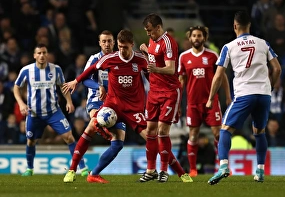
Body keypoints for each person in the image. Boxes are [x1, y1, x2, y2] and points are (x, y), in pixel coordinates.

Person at [62, 29, 192, 184]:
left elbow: (152, 78)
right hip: (113, 106)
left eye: (125, 47)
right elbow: (91, 70)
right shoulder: (109, 58)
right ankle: (72, 170)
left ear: (132, 45)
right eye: (120, 46)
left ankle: (180, 172)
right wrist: (76, 81)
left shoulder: (140, 60)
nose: (122, 50)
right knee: (90, 127)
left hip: (134, 110)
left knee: (154, 139)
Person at [205, 10, 281, 185]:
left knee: (225, 130)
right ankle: (260, 171)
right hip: (263, 94)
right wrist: (269, 87)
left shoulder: (229, 47)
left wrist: (210, 98)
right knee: (259, 133)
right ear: (250, 26)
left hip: (244, 94)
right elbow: (277, 69)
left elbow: (218, 76)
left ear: (234, 25)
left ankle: (224, 167)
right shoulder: (263, 43)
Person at [13, 43, 88, 176]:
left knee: (69, 137)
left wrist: (69, 101)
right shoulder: (27, 70)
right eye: (39, 53)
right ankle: (29, 168)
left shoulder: (56, 69)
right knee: (31, 141)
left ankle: (82, 168)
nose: (42, 55)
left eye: (44, 53)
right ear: (34, 55)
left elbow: (63, 87)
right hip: (35, 114)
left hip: (54, 112)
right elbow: (16, 87)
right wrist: (21, 103)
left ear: (47, 54)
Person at [139, 13, 193, 183]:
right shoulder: (152, 41)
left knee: (163, 131)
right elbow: (155, 60)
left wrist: (154, 68)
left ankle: (163, 171)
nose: (148, 34)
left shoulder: (168, 42)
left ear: (158, 27)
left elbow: (170, 69)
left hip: (169, 92)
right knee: (150, 132)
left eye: (150, 30)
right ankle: (150, 170)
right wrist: (147, 53)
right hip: (154, 91)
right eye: (146, 31)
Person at [178, 26, 231, 177]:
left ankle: (223, 167)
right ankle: (193, 169)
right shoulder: (184, 57)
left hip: (211, 101)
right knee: (193, 135)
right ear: (190, 38)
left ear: (204, 38)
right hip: (193, 103)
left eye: (199, 36)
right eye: (194, 36)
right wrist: (177, 103)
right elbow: (181, 81)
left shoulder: (213, 56)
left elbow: (223, 77)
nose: (196, 38)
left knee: (218, 134)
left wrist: (227, 96)